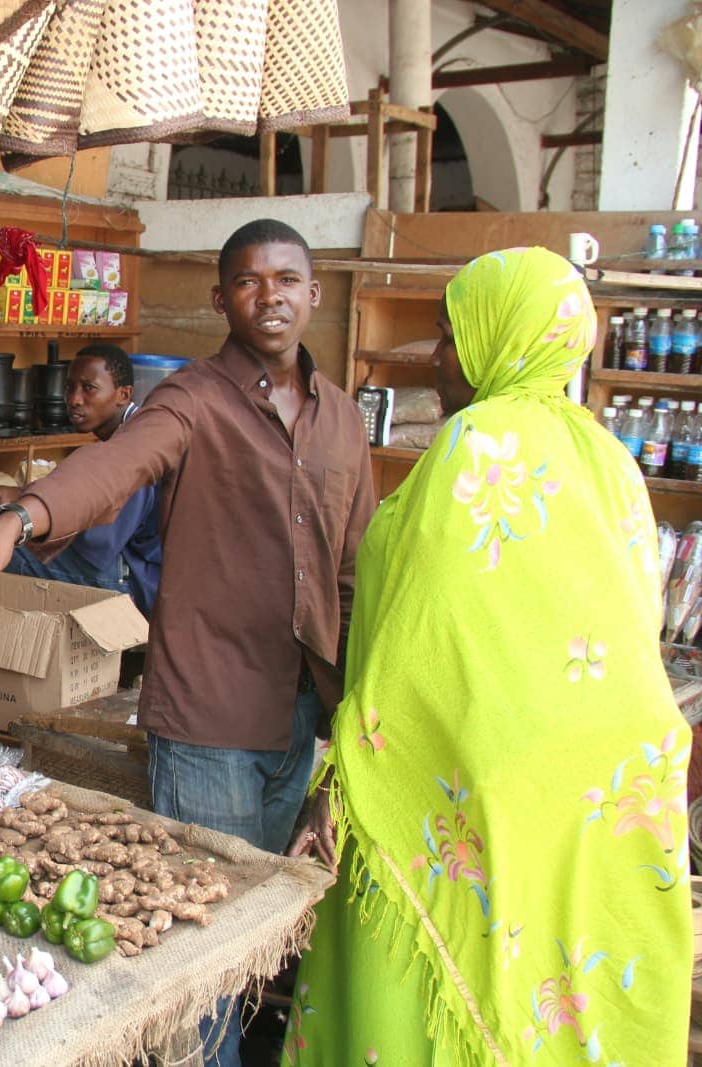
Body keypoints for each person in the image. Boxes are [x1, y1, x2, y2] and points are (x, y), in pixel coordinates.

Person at [0, 219, 374, 1067]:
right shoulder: (193, 401)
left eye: (286, 278)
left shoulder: (342, 422)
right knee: (196, 952)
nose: (268, 294)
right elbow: (113, 469)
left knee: (249, 940)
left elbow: (354, 567)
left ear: (314, 293)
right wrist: (19, 518)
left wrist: (352, 721)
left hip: (299, 713)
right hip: (207, 713)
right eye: (247, 280)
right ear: (220, 299)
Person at [282, 247, 689, 1066]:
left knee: (434, 983)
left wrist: (338, 787)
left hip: (467, 783)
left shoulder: (476, 445)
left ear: (498, 339)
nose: (438, 358)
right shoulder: (612, 460)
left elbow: (417, 641)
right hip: (597, 792)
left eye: (449, 335)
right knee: (550, 985)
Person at [0, 343, 161, 614]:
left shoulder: (132, 448)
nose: (74, 399)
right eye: (69, 387)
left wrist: (25, 519)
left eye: (89, 388)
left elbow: (99, 544)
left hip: (140, 581)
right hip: (139, 567)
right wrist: (24, 497)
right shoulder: (129, 432)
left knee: (1, 554)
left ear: (123, 394)